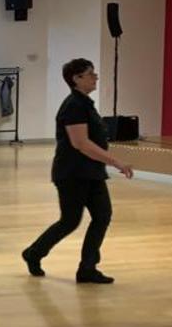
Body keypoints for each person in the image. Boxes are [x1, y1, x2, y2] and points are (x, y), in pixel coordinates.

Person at [22, 58, 133, 284]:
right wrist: (116, 162)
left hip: (91, 172)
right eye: (90, 73)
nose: (95, 77)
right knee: (70, 221)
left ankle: (87, 268)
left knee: (102, 216)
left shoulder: (85, 103)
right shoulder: (74, 105)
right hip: (72, 174)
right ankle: (34, 253)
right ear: (77, 78)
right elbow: (80, 143)